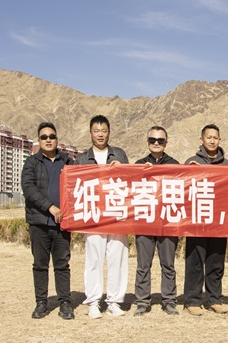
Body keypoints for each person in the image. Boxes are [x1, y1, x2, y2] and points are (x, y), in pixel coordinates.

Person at [75, 115, 129, 319]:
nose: (100, 134)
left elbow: (131, 182)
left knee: (118, 258)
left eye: (104, 131)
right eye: (96, 131)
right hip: (93, 216)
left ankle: (114, 301)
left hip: (116, 214)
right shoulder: (82, 158)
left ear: (109, 132)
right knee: (94, 259)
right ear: (90, 133)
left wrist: (121, 169)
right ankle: (94, 302)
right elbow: (75, 186)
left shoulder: (120, 154)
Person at [21, 122, 74, 320]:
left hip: (62, 224)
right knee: (40, 265)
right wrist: (50, 207)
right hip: (39, 222)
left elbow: (80, 183)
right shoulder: (32, 163)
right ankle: (41, 303)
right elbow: (29, 188)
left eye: (52, 136)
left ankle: (65, 303)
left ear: (57, 139)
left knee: (62, 264)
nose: (48, 140)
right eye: (44, 137)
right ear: (39, 140)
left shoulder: (67, 162)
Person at [183, 124, 228, 316]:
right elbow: (181, 188)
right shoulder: (192, 162)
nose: (212, 141)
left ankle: (214, 299)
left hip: (219, 221)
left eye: (215, 138)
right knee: (195, 261)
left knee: (216, 262)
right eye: (208, 137)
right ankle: (192, 300)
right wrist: (188, 172)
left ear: (220, 140)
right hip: (196, 221)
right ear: (201, 140)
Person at [133, 126, 180, 317]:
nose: (156, 143)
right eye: (152, 140)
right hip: (144, 221)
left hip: (167, 222)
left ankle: (169, 301)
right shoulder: (139, 164)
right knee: (143, 265)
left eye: (160, 140)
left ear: (166, 143)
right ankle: (142, 302)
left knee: (168, 264)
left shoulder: (175, 165)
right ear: (148, 142)